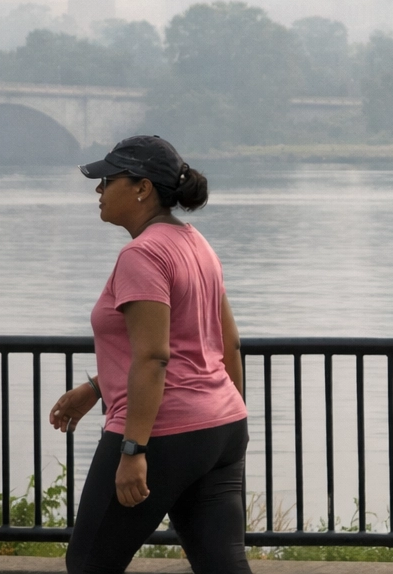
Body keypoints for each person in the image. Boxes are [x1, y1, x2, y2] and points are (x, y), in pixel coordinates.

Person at [47, 135, 252, 574]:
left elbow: (155, 357)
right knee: (222, 565)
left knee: (88, 564)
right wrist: (97, 387)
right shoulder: (195, 243)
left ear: (141, 187)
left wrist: (133, 448)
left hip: (162, 432)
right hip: (221, 427)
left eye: (107, 179)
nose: (98, 190)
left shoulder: (141, 254)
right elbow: (220, 342)